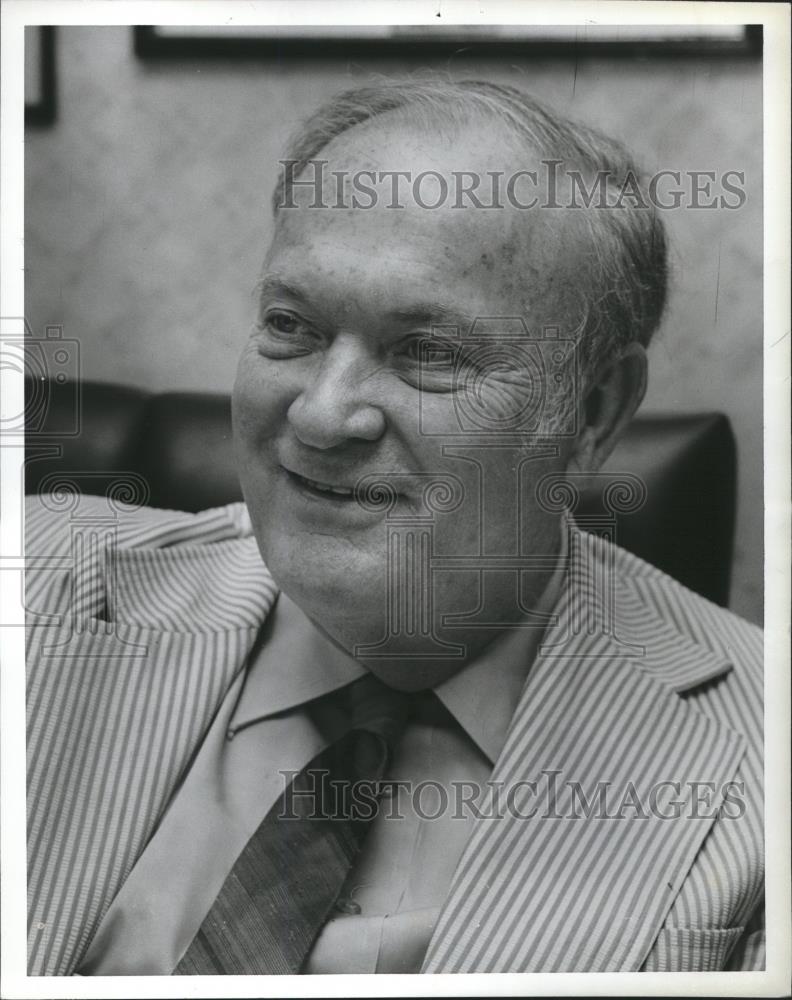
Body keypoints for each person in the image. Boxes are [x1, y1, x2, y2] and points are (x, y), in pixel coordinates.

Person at [25, 79, 763, 976]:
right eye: (290, 325)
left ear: (593, 410)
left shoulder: (760, 767)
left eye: (429, 352)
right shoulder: (37, 587)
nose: (323, 417)